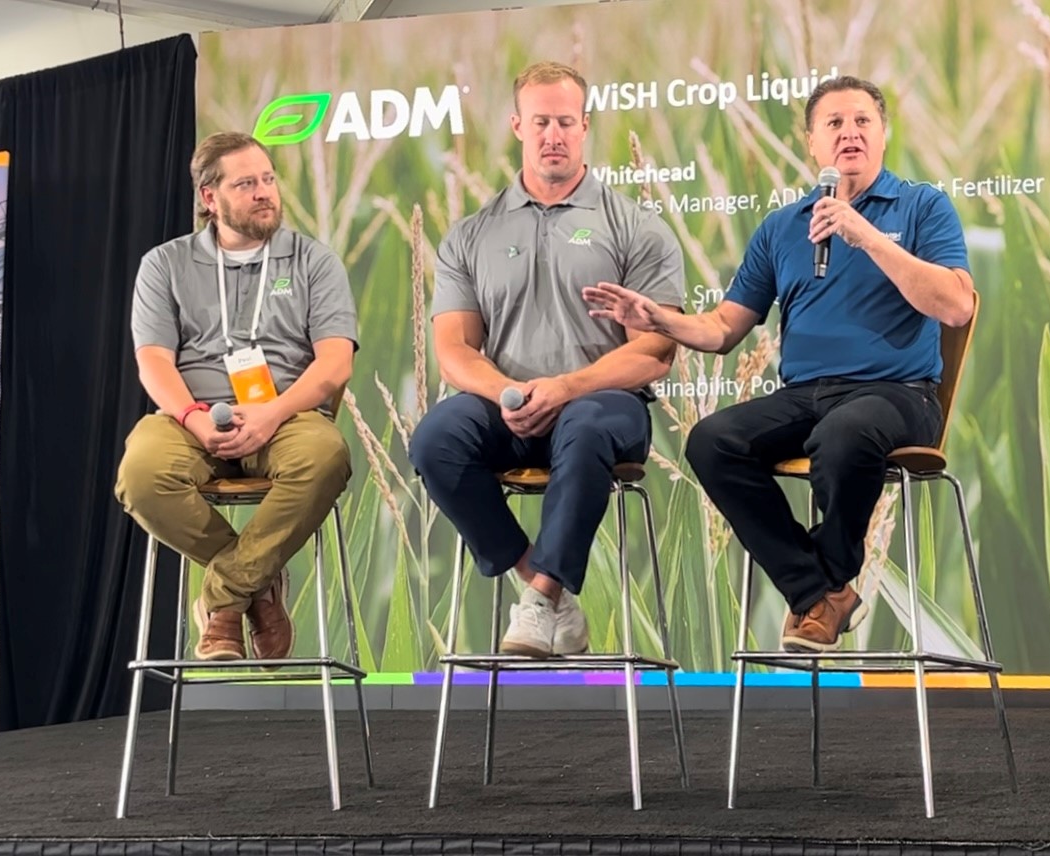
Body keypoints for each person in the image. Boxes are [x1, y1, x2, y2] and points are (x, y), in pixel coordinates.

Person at [584, 76, 975, 653]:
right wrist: (660, 318)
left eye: (862, 121)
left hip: (898, 392)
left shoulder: (921, 206)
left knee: (844, 433)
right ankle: (819, 592)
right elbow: (723, 330)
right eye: (834, 124)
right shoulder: (782, 229)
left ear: (883, 134)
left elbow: (957, 303)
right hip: (807, 394)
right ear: (812, 144)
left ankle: (825, 582)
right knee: (713, 441)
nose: (850, 133)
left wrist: (865, 235)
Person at [408, 61, 684, 658]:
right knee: (435, 439)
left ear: (585, 127)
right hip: (505, 406)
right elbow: (454, 349)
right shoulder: (471, 233)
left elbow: (656, 351)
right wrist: (510, 392)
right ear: (517, 126)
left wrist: (565, 387)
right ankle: (546, 591)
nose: (552, 134)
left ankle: (538, 602)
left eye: (565, 121)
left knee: (584, 425)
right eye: (540, 122)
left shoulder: (637, 228)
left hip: (605, 408)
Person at [115, 131, 358, 662]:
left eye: (268, 179)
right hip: (191, 416)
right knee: (140, 473)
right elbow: (153, 360)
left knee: (325, 458)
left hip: (286, 414)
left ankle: (224, 599)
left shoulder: (313, 261)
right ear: (210, 197)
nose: (264, 192)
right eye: (246, 183)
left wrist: (273, 413)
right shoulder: (165, 264)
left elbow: (336, 361)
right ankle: (259, 591)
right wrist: (194, 419)